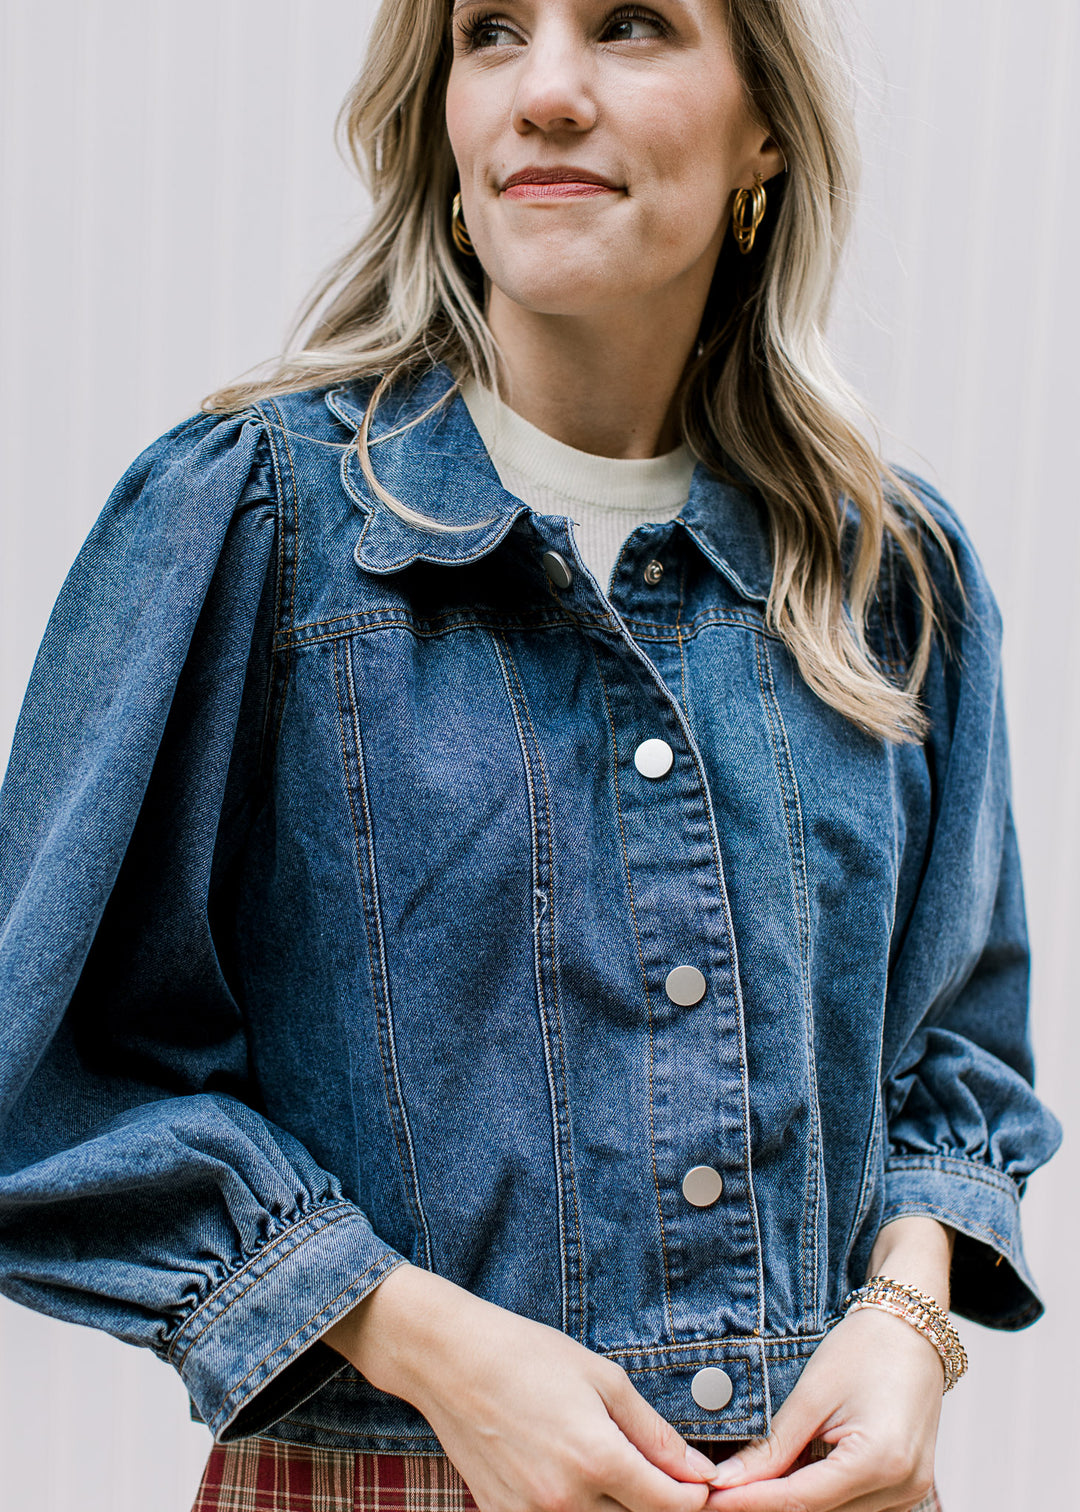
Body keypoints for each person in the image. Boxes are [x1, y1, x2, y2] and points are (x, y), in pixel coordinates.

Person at [0, 1, 1062, 1510]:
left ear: (766, 124)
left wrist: (906, 1321)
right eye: (490, 31)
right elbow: (41, 1074)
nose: (545, 91)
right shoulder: (257, 523)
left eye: (630, 24)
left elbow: (951, 1047)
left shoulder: (890, 573)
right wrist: (424, 1343)